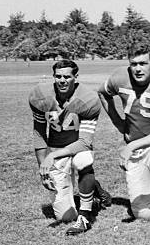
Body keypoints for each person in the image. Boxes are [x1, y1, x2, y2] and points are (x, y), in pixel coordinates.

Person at [98, 44, 150, 236]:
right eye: (133, 64)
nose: (138, 68)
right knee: (143, 214)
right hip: (137, 147)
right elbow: (102, 92)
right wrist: (118, 122)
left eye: (143, 63)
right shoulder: (120, 77)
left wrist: (131, 145)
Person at [29, 60, 111, 235]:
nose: (62, 80)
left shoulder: (88, 99)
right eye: (58, 76)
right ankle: (94, 188)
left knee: (83, 161)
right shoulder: (40, 96)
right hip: (55, 147)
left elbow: (85, 142)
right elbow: (39, 134)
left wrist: (52, 157)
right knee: (65, 216)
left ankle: (85, 216)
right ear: (53, 77)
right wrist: (43, 168)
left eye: (67, 76)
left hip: (79, 147)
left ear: (76, 77)